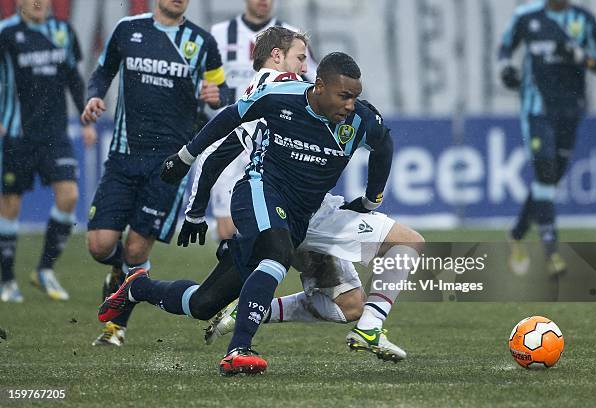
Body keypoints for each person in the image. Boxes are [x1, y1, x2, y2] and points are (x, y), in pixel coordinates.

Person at [101, 51, 423, 375]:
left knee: (203, 303)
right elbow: (229, 119)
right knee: (277, 252)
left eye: (355, 97)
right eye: (344, 96)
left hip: (314, 211)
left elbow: (383, 146)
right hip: (261, 192)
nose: (351, 105)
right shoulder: (277, 97)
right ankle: (239, 349)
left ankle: (136, 287)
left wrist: (371, 200)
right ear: (320, 85)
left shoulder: (360, 120)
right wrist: (186, 158)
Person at [80, 0, 229, 346]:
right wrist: (93, 97)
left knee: (136, 250)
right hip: (123, 157)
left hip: (170, 164)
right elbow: (103, 71)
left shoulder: (203, 43)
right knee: (99, 245)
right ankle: (120, 273)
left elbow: (224, 95)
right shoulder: (128, 30)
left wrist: (216, 96)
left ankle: (115, 328)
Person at [500, 0, 596, 276]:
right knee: (546, 171)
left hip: (571, 110)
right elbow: (505, 47)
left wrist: (581, 57)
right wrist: (506, 70)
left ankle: (516, 233)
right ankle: (552, 252)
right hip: (537, 109)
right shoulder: (526, 17)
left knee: (548, 180)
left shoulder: (586, 20)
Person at [0, 0, 96, 303]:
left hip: (56, 134)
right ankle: (6, 280)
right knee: (10, 204)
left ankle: (44, 269)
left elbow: (72, 77)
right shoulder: (6, 33)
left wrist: (85, 118)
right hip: (18, 134)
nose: (39, 2)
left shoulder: (62, 31)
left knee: (69, 196)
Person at [205, 0, 317, 241]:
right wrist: (210, 96)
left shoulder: (292, 35)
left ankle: (260, 270)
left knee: (270, 227)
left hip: (273, 143)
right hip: (230, 138)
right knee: (227, 231)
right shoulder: (219, 34)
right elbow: (208, 84)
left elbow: (315, 81)